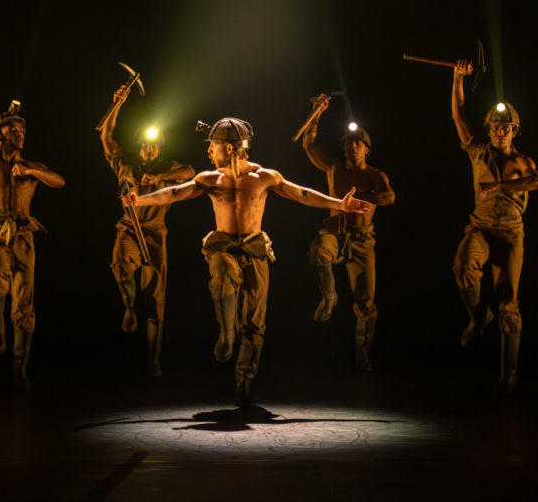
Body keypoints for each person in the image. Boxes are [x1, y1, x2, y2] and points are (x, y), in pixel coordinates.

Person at [122, 117, 371, 406]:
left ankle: (244, 383)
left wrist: (339, 204)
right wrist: (140, 200)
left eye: (212, 147)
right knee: (224, 274)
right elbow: (175, 192)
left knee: (255, 321)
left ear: (228, 148)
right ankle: (227, 332)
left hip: (254, 248)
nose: (209, 152)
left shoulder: (264, 177)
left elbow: (301, 193)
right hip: (223, 246)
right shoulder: (210, 179)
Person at [0, 78, 65, 389]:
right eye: (13, 127)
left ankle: (20, 369)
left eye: (22, 128)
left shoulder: (32, 166)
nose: (19, 131)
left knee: (24, 305)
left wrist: (32, 171)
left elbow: (59, 182)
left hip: (24, 235)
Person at [451, 61, 538, 395]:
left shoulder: (521, 162)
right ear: (488, 130)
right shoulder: (477, 152)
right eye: (494, 126)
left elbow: (537, 182)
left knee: (508, 302)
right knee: (463, 266)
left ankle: (509, 375)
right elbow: (459, 117)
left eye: (505, 126)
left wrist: (500, 186)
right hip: (481, 226)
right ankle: (477, 318)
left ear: (515, 130)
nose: (499, 131)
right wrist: (458, 79)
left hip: (510, 233)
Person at [100, 86, 195, 377]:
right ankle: (129, 306)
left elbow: (190, 172)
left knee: (155, 299)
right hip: (129, 227)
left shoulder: (166, 166)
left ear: (160, 148)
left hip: (155, 233)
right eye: (144, 145)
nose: (149, 150)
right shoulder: (124, 163)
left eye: (154, 146)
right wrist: (116, 103)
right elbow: (105, 136)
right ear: (139, 145)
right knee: (121, 265)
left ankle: (153, 360)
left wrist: (161, 176)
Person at [301, 94, 395, 371]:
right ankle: (329, 296)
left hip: (362, 240)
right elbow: (309, 144)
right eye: (348, 143)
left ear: (367, 149)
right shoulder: (334, 168)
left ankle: (361, 354)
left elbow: (389, 197)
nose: (353, 146)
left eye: (358, 143)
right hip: (336, 234)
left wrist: (361, 198)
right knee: (318, 248)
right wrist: (317, 112)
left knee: (366, 301)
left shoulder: (375, 175)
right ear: (344, 149)